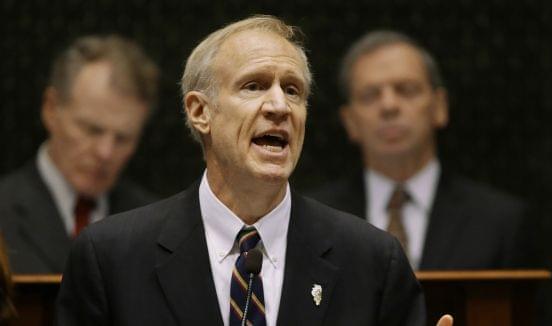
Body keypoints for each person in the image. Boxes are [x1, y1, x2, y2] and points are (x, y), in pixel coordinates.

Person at [54, 16, 452, 326]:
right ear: (200, 112)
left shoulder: (372, 260)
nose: (279, 106)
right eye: (254, 86)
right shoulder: (111, 257)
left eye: (293, 90)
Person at [311, 31, 534, 270]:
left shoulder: (499, 222)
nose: (389, 106)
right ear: (350, 121)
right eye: (370, 95)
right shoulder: (314, 220)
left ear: (439, 106)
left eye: (406, 90)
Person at [0, 35, 159, 274]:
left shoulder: (155, 226)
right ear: (51, 109)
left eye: (122, 139)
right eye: (92, 130)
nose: (105, 153)